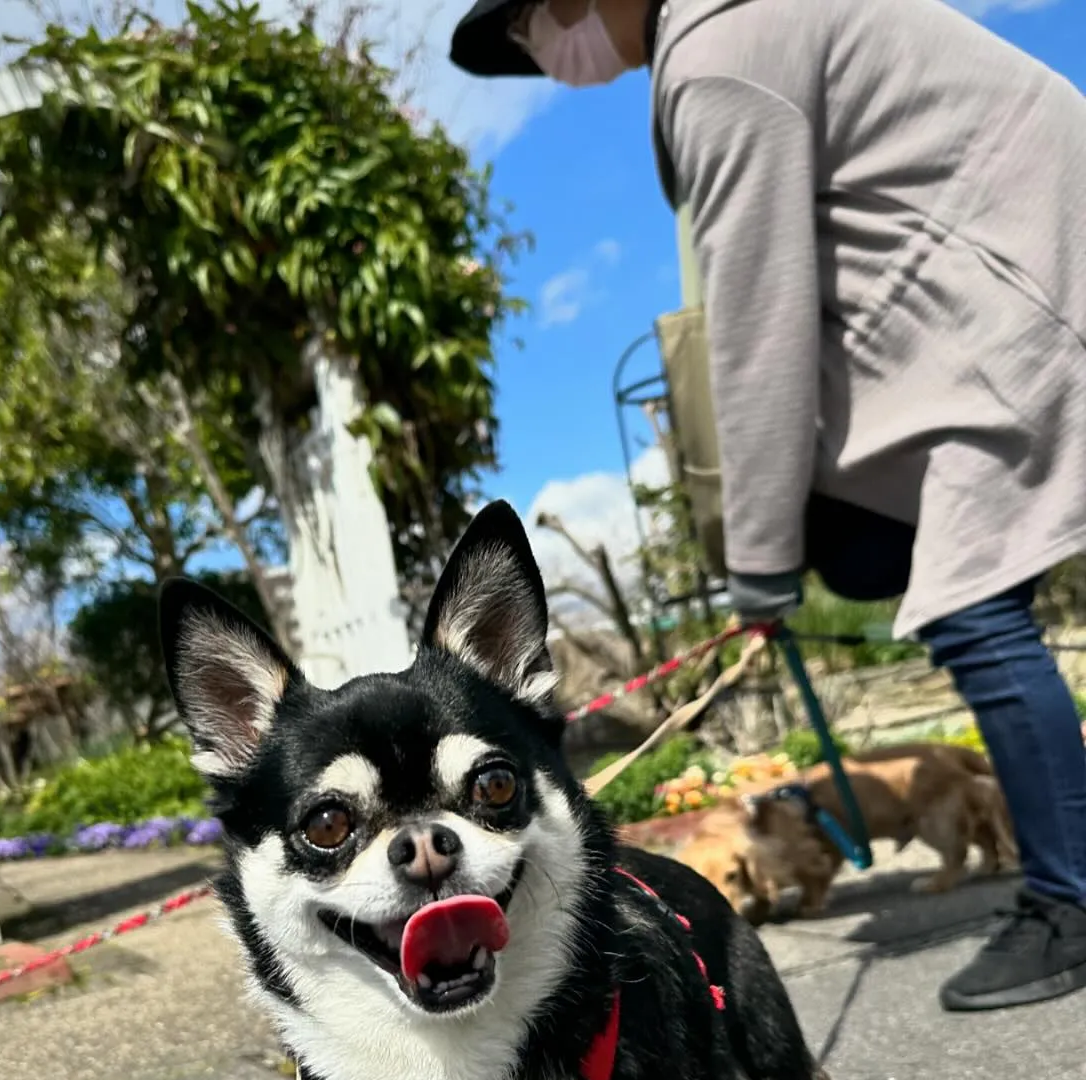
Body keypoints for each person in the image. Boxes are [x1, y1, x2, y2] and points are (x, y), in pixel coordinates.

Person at [450, 0, 1086, 1013]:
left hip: (1010, 301)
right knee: (915, 571)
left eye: (532, 32)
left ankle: (1069, 902)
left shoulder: (716, 62)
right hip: (1008, 274)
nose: (549, 58)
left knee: (975, 613)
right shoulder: (747, 23)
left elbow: (755, 327)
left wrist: (756, 569)